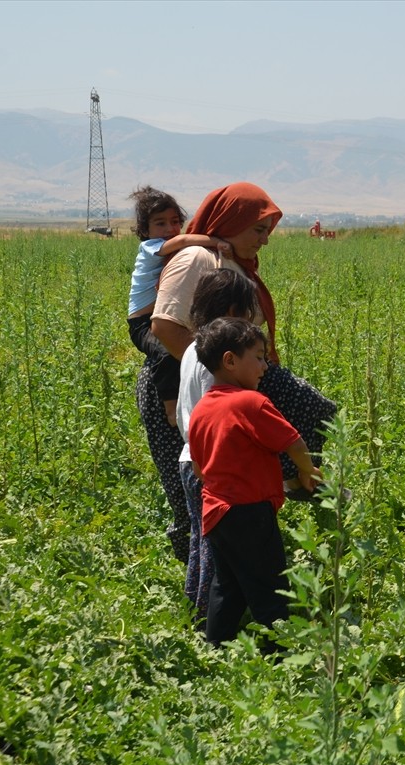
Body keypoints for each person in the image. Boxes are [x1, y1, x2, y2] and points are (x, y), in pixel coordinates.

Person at [141, 182, 336, 563]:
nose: (264, 240)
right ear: (231, 221)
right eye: (258, 229)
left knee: (232, 483)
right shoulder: (197, 257)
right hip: (181, 384)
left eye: (268, 231)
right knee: (196, 493)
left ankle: (293, 483)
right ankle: (207, 589)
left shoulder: (230, 262)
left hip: (222, 386)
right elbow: (164, 326)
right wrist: (215, 376)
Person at [188, 317, 323, 653]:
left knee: (227, 586)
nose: (265, 365)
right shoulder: (250, 403)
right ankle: (280, 661)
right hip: (250, 513)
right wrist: (308, 473)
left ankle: (214, 648)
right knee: (270, 588)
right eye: (259, 357)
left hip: (216, 512)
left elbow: (198, 468)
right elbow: (293, 442)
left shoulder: (202, 409)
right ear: (230, 361)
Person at [176, 270, 260, 624]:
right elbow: (225, 418)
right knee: (219, 548)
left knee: (202, 540)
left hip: (189, 458)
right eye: (247, 313)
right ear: (230, 311)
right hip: (212, 466)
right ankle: (214, 619)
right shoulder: (220, 361)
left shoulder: (193, 349)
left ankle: (195, 609)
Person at [126, 186, 232, 427]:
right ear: (145, 230)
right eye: (160, 223)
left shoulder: (175, 251)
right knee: (165, 353)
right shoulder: (150, 247)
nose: (169, 229)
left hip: (162, 316)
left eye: (175, 222)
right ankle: (171, 410)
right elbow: (184, 239)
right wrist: (217, 242)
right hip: (142, 324)